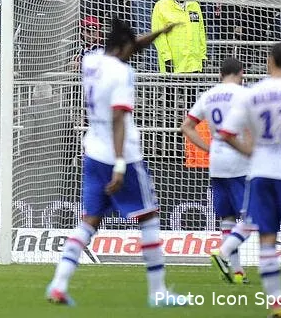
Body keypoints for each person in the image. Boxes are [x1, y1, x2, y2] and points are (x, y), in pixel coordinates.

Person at [46, 18, 190, 306]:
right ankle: (158, 292)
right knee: (148, 217)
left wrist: (160, 33)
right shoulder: (123, 74)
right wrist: (122, 164)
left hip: (93, 152)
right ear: (123, 48)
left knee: (89, 220)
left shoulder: (91, 60)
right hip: (121, 156)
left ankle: (58, 284)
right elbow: (119, 119)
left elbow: (130, 45)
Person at [220, 43, 281, 310]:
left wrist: (251, 153)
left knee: (266, 238)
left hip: (262, 172)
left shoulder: (253, 94)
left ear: (269, 61)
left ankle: (277, 305)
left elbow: (226, 134)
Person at [180, 57, 252, 285]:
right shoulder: (245, 95)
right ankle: (223, 253)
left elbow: (186, 127)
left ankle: (237, 271)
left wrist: (207, 147)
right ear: (241, 73)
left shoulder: (208, 95)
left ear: (220, 74)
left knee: (228, 218)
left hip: (217, 162)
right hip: (240, 160)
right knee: (255, 215)